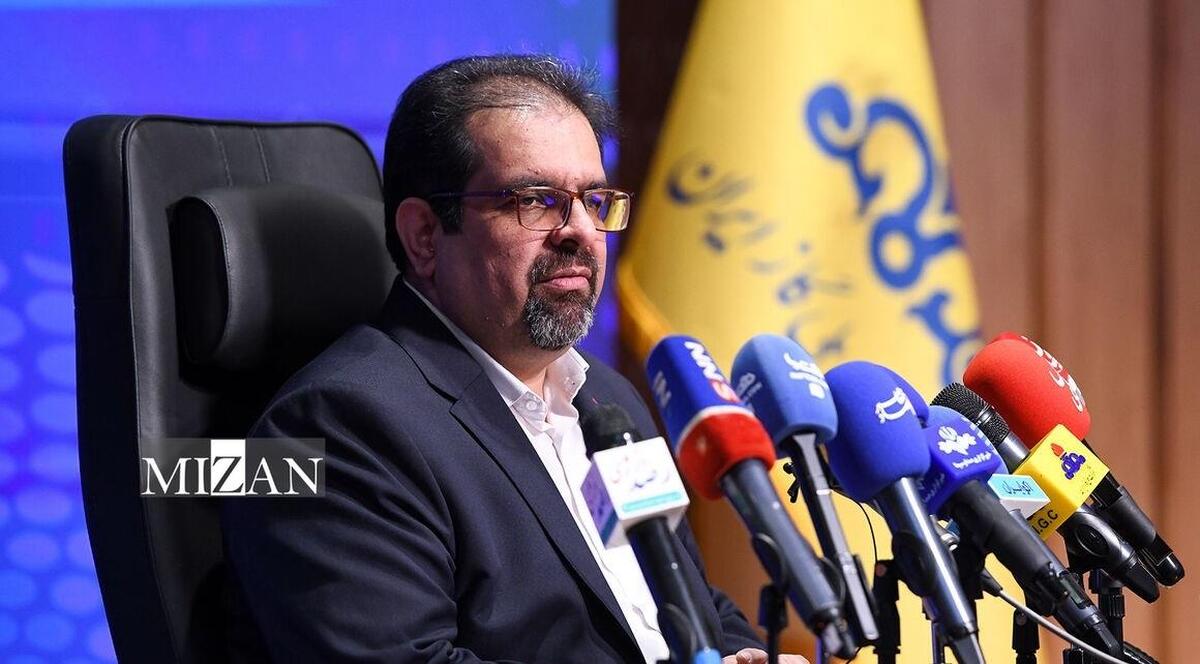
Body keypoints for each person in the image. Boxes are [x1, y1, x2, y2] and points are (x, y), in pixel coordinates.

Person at [222, 54, 807, 664]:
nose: (581, 230)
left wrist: (745, 654)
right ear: (425, 235)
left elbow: (690, 598)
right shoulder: (336, 429)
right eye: (536, 200)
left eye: (593, 199)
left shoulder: (607, 401)